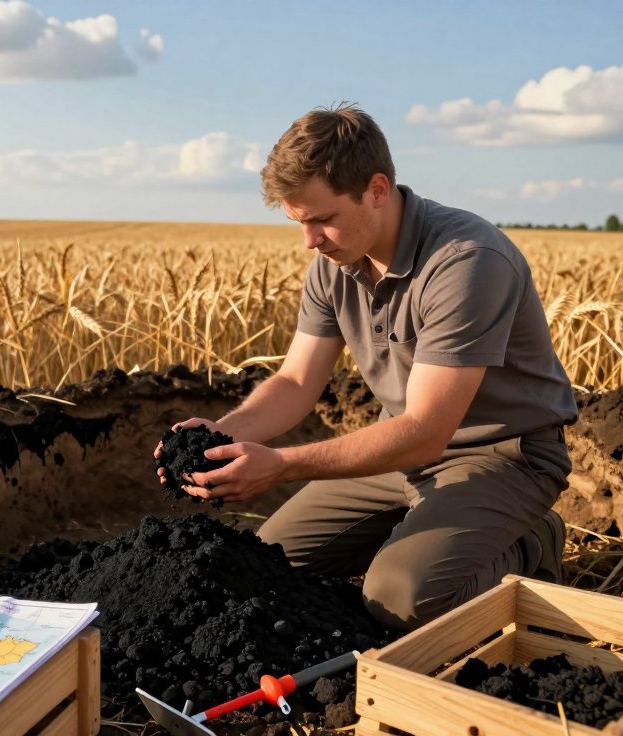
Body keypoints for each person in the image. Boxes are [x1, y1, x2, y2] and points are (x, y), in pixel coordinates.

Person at [155, 103, 578, 631]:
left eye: (322, 219)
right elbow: (294, 381)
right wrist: (221, 436)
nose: (310, 240)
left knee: (400, 599)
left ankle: (533, 542)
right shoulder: (333, 264)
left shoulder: (467, 261)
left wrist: (282, 465)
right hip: (397, 452)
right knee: (267, 561)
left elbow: (426, 431)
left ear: (377, 189)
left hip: (501, 456)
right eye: (299, 223)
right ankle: (429, 532)